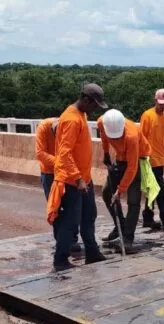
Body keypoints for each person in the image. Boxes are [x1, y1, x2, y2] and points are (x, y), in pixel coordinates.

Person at [46, 83, 107, 271]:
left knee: (89, 216)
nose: (95, 109)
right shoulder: (71, 120)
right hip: (72, 181)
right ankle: (60, 260)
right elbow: (64, 153)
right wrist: (78, 178)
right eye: (94, 105)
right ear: (86, 100)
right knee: (70, 222)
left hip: (84, 179)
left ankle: (92, 252)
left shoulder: (81, 114)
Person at [97, 109, 151, 252]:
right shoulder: (102, 122)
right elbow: (103, 136)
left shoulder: (131, 136)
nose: (114, 139)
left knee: (133, 200)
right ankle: (119, 224)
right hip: (120, 158)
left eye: (117, 137)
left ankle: (127, 238)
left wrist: (120, 190)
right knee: (107, 192)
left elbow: (132, 168)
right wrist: (107, 152)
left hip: (139, 159)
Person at [35, 116, 80, 253]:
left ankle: (72, 239)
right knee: (55, 206)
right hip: (49, 172)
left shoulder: (69, 127)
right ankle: (60, 239)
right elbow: (40, 153)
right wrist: (59, 162)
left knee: (71, 206)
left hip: (66, 171)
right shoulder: (43, 127)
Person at [139, 89, 164, 230]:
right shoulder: (147, 115)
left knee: (152, 191)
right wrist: (142, 156)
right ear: (155, 101)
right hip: (148, 159)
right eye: (161, 104)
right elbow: (141, 137)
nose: (163, 107)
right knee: (160, 190)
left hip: (159, 160)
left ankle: (148, 217)